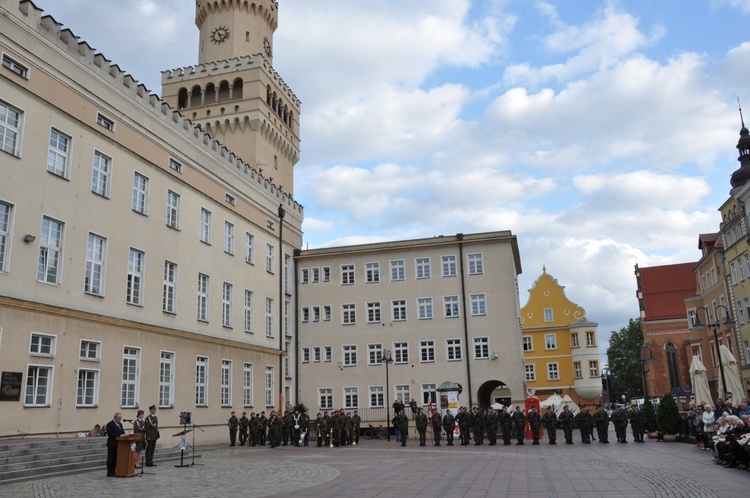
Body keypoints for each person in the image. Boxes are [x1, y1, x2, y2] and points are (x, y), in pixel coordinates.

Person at [105, 412, 125, 477]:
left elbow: (122, 432)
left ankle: (114, 471)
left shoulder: (120, 424)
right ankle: (110, 472)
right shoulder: (110, 424)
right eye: (119, 418)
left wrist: (123, 435)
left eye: (120, 418)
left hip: (119, 444)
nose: (120, 420)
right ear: (115, 418)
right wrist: (119, 435)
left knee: (116, 458)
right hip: (112, 444)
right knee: (111, 458)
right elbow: (110, 433)